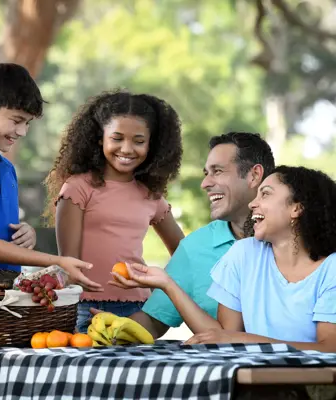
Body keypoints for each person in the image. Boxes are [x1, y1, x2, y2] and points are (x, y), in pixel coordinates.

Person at [0, 64, 102, 399]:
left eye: (27, 123)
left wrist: (23, 233)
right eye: (16, 120)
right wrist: (55, 260)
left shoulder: (6, 168)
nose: (22, 131)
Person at [115, 166, 336, 352]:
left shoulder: (331, 268)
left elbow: (329, 348)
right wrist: (167, 284)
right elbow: (223, 336)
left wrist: (247, 339)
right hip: (252, 379)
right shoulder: (243, 254)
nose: (252, 204)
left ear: (297, 208)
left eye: (266, 194)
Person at [104, 132, 275, 338]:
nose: (205, 184)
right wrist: (109, 329)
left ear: (254, 175)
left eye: (217, 171)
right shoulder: (195, 247)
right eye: (206, 174)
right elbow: (154, 320)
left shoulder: (296, 238)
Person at [44, 90, 185, 332]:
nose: (127, 149)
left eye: (139, 141)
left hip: (139, 310)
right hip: (84, 308)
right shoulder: (78, 188)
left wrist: (159, 288)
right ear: (100, 138)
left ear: (152, 145)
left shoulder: (151, 195)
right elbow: (69, 264)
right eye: (117, 138)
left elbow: (184, 254)